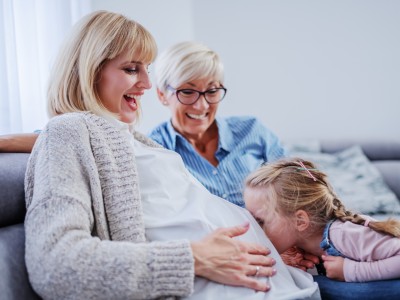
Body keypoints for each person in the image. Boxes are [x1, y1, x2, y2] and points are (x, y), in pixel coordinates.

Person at [24, 10, 319, 299]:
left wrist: (272, 244)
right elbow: (55, 265)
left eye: (146, 69)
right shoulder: (68, 132)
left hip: (284, 277)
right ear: (89, 71)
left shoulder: (136, 141)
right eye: (131, 69)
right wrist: (193, 259)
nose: (147, 84)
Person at [149, 41, 285, 208]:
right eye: (187, 92)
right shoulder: (155, 150)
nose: (202, 106)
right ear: (161, 94)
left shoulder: (252, 130)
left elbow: (297, 180)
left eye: (212, 91)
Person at [244, 157, 400, 282]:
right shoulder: (300, 245)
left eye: (260, 221)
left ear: (300, 221)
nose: (253, 229)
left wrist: (352, 271)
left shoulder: (343, 234)